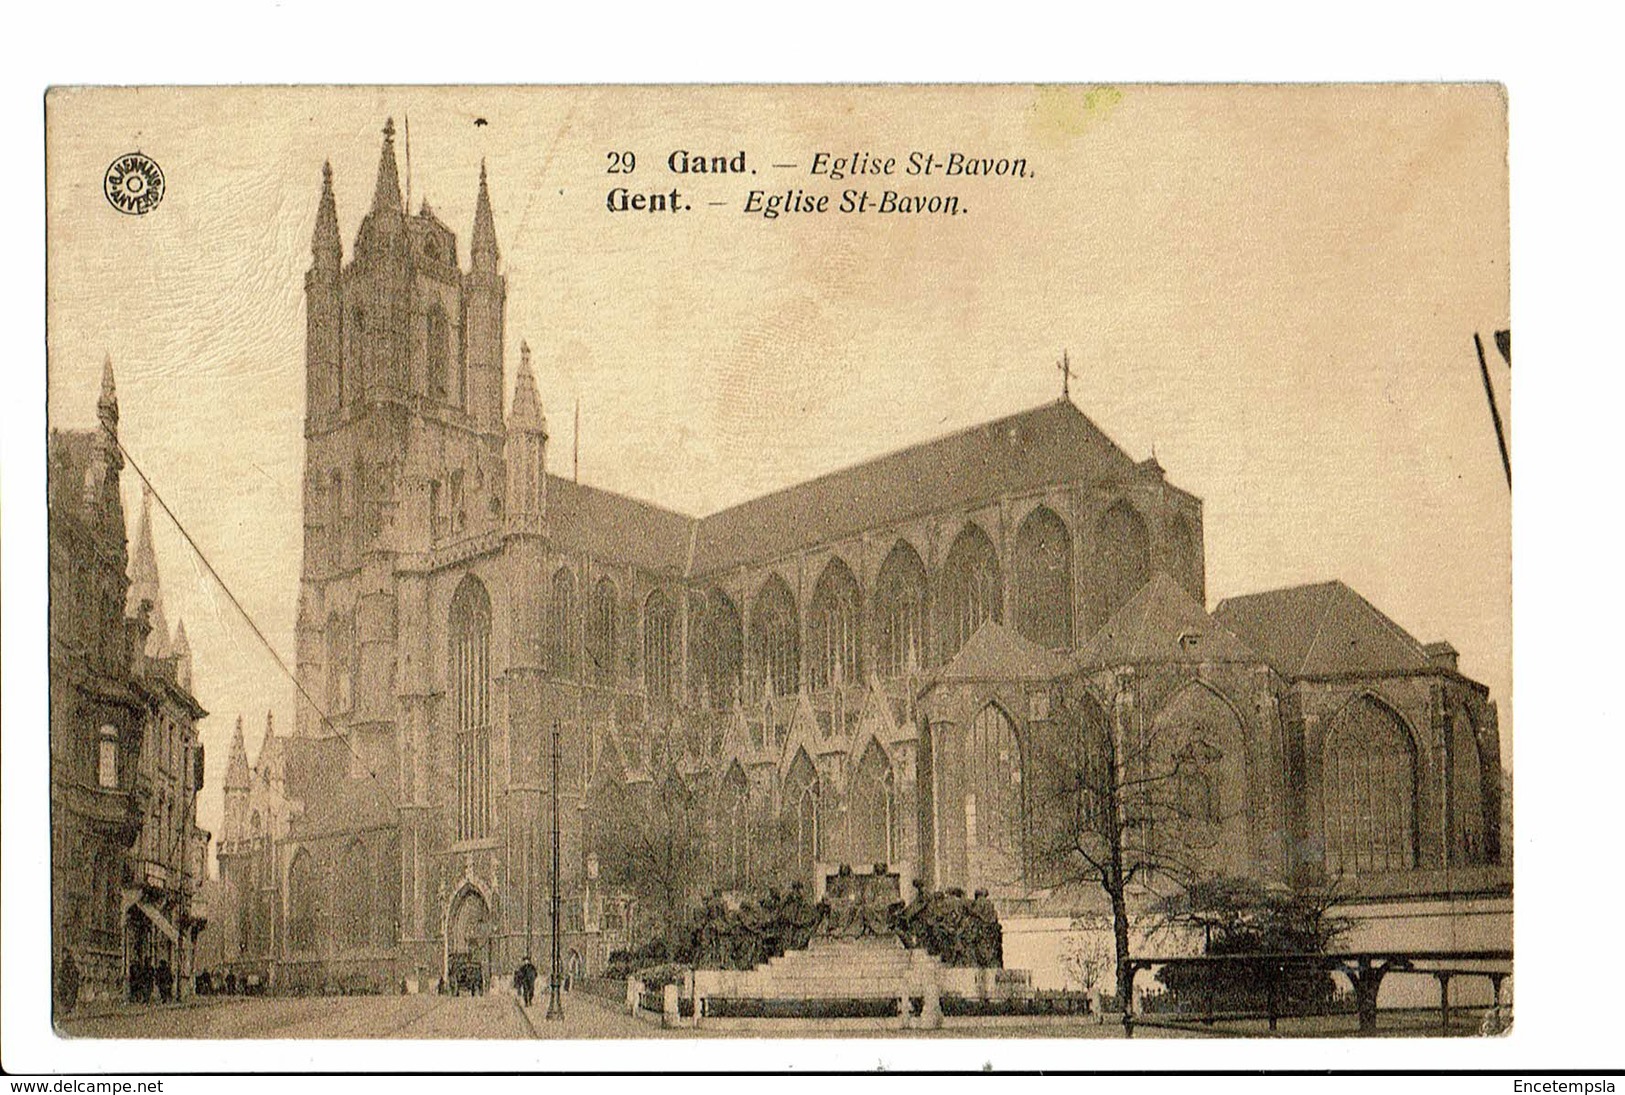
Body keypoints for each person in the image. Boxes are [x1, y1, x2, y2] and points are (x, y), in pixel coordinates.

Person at [56, 949, 81, 1015]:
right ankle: (67, 1009)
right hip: (66, 983)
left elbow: (75, 972)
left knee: (70, 997)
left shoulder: (69, 964)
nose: (64, 955)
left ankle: (68, 1009)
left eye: (65, 953)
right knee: (66, 996)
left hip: (71, 984)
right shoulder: (64, 965)